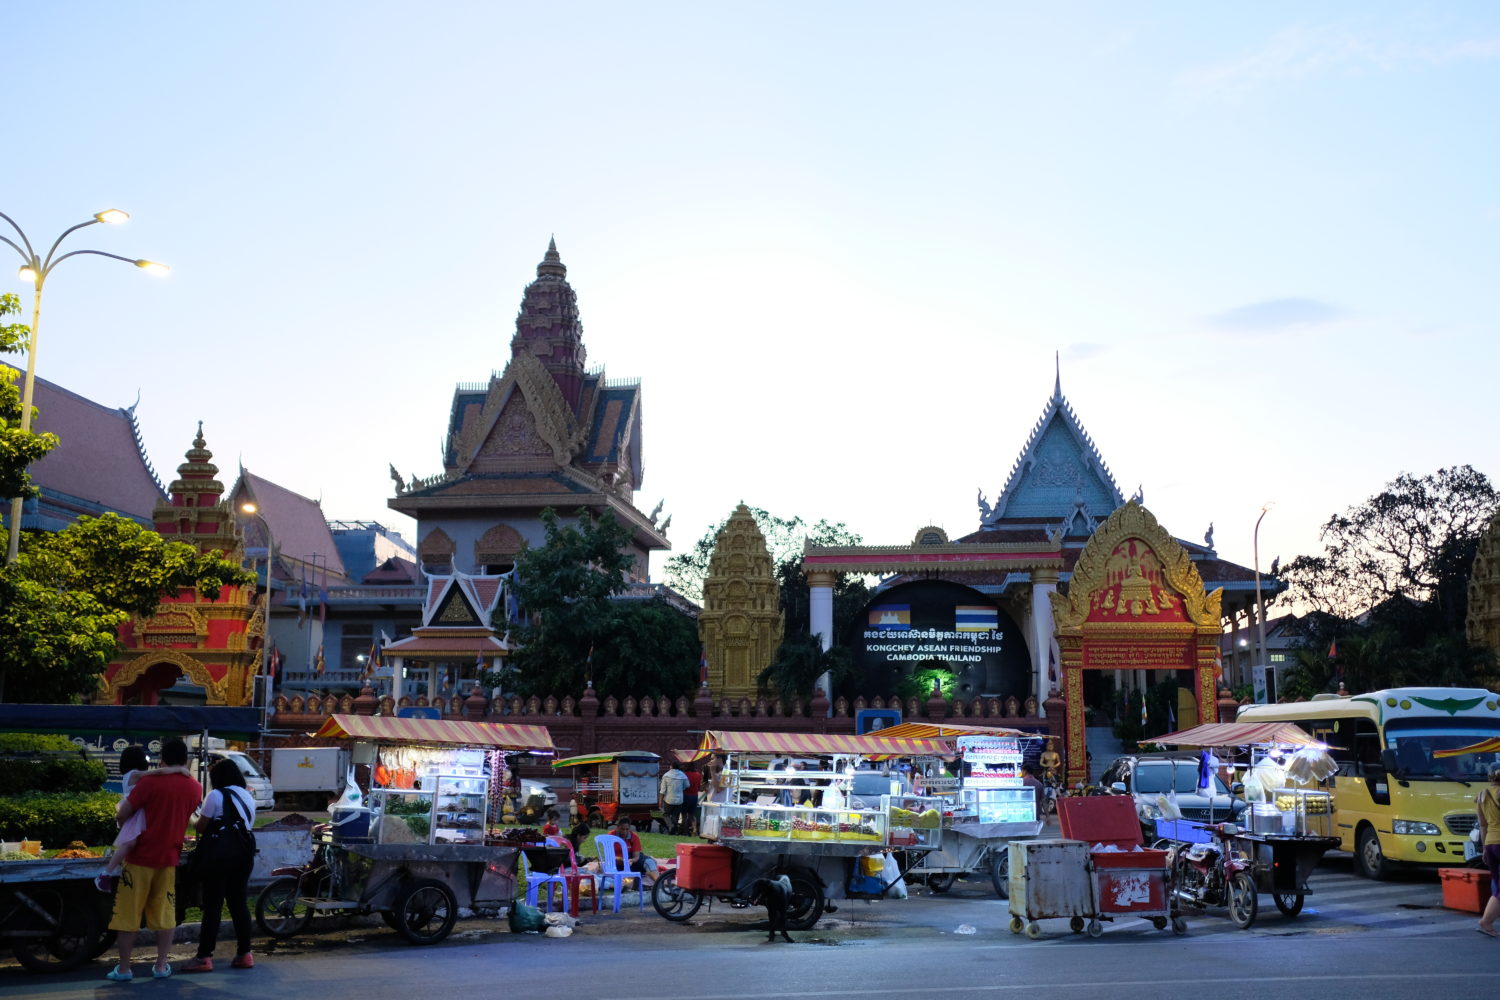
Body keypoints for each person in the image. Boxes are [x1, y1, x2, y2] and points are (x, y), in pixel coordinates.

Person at [105, 737, 203, 983]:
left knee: (128, 915)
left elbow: (123, 813)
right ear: (185, 760)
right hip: (169, 858)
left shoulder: (149, 783)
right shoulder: (195, 787)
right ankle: (161, 965)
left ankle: (125, 969)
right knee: (165, 915)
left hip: (138, 858)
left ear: (162, 760)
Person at [182, 759, 258, 972]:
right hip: (243, 855)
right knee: (238, 904)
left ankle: (204, 957)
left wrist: (191, 817)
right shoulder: (247, 796)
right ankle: (245, 954)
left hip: (219, 857)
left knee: (213, 906)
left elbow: (202, 826)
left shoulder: (216, 795)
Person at [96, 746, 191, 894]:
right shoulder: (134, 774)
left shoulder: (130, 774)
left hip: (135, 809)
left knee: (131, 842)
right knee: (129, 843)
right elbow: (158, 772)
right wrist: (178, 770)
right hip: (135, 811)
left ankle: (107, 873)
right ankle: (106, 874)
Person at [1476, 763, 1500, 938]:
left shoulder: (1482, 795)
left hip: (1491, 843)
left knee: (1498, 885)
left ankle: (1487, 921)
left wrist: (1484, 848)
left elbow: (1482, 825)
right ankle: (1486, 921)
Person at [607, 818, 658, 883]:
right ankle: (631, 883)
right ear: (617, 827)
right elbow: (608, 856)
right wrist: (621, 860)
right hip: (616, 862)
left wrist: (631, 860)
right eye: (622, 829)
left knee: (650, 862)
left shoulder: (634, 837)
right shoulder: (611, 836)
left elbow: (636, 856)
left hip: (631, 860)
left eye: (627, 829)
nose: (624, 832)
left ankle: (658, 882)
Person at [659, 763, 689, 833]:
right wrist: (682, 788)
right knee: (676, 816)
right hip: (679, 800)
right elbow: (687, 785)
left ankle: (670, 826)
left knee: (666, 815)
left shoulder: (666, 775)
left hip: (668, 799)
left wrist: (660, 801)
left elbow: (662, 790)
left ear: (671, 767)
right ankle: (673, 830)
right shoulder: (683, 775)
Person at [682, 763, 703, 836]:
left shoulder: (684, 774)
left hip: (685, 796)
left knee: (684, 815)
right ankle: (694, 830)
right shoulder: (698, 774)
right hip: (694, 796)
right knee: (691, 815)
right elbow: (699, 787)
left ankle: (684, 832)